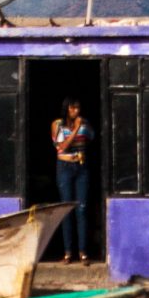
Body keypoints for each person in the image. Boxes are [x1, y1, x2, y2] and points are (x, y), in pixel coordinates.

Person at [50, 98, 91, 262]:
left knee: (82, 209)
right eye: (73, 108)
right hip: (64, 168)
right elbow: (62, 147)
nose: (76, 111)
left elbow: (90, 139)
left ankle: (83, 252)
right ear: (66, 109)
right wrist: (75, 130)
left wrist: (82, 128)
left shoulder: (85, 124)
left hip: (81, 167)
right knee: (67, 209)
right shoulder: (58, 125)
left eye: (78, 108)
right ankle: (68, 252)